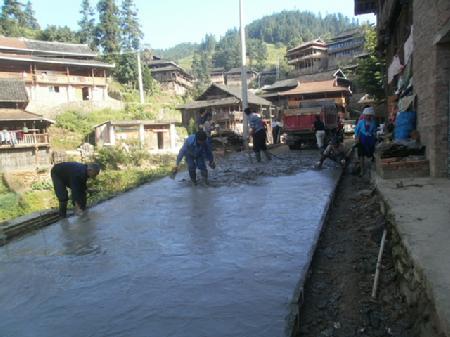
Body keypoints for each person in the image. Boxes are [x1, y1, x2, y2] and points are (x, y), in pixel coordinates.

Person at [354, 106, 377, 177]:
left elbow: (374, 132)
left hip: (370, 141)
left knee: (372, 154)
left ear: (372, 116)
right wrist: (356, 139)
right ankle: (362, 170)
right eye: (367, 116)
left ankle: (374, 168)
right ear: (364, 115)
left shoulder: (373, 123)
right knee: (361, 156)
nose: (368, 117)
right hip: (362, 140)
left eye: (370, 116)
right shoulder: (360, 122)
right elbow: (356, 131)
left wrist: (374, 137)